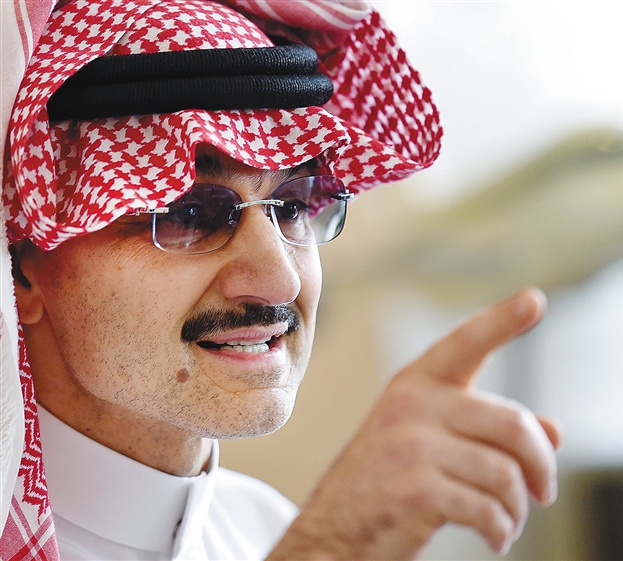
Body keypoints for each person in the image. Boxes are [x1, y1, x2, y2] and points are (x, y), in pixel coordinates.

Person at [0, 1, 560, 559]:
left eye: (291, 206)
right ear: (22, 269)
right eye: (188, 213)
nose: (280, 281)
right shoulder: (314, 542)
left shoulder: (264, 530)